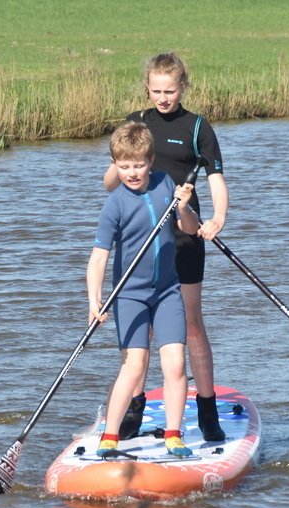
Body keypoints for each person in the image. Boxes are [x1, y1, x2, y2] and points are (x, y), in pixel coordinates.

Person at [103, 52, 228, 442]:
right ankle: (134, 410)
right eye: (156, 91)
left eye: (170, 91)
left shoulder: (197, 128)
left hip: (185, 236)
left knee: (190, 325)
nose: (163, 98)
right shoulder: (137, 123)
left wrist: (216, 220)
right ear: (147, 88)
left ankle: (206, 409)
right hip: (142, 240)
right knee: (140, 330)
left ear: (183, 87)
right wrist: (117, 166)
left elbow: (216, 181)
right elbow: (111, 183)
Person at [89, 121, 200, 458]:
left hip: (167, 291)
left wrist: (183, 206)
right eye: (124, 166)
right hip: (129, 296)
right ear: (115, 164)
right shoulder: (115, 204)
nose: (132, 173)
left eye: (138, 165)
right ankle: (109, 436)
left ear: (151, 160)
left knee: (176, 365)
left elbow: (190, 228)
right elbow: (98, 260)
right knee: (134, 365)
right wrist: (95, 301)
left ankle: (173, 435)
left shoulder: (166, 184)